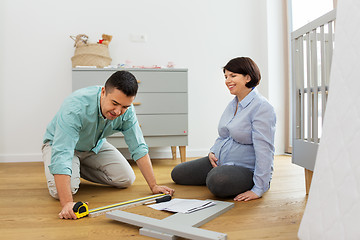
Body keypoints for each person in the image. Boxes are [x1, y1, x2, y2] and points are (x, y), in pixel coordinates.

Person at [42, 71, 174, 219]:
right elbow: (63, 153)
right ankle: (72, 171)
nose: (118, 111)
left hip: (93, 146)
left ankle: (76, 168)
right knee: (62, 191)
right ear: (104, 92)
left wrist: (154, 186)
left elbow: (138, 146)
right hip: (61, 146)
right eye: (114, 103)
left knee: (126, 179)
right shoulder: (75, 107)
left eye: (124, 106)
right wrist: (67, 203)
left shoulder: (127, 111)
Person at [171, 57, 276, 202]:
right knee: (178, 174)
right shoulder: (233, 104)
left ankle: (249, 181)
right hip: (219, 161)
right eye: (226, 76)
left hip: (245, 169)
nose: (227, 80)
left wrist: (259, 189)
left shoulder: (262, 108)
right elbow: (223, 136)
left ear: (248, 77)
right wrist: (213, 151)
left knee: (217, 181)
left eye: (233, 76)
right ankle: (219, 173)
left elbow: (265, 150)